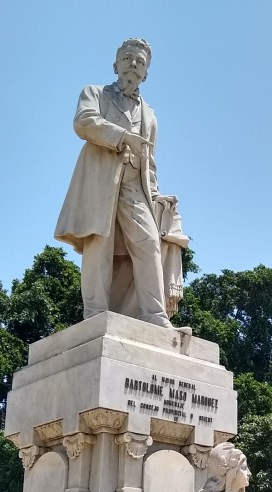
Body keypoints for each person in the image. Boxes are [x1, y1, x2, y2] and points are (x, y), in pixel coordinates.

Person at [54, 38, 186, 326]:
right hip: (100, 180)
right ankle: (95, 314)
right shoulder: (95, 93)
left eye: (140, 62)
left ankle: (153, 314)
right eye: (127, 58)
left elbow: (149, 160)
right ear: (116, 64)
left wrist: (156, 193)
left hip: (135, 185)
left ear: (146, 73)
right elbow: (84, 122)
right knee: (98, 245)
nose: (133, 64)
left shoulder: (150, 114)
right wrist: (122, 137)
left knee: (148, 242)